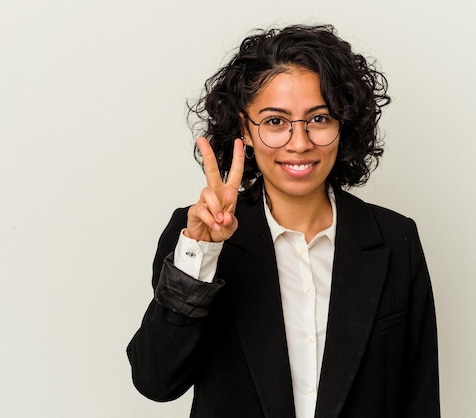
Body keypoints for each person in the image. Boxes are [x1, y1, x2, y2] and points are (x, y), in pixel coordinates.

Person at [127, 24, 439, 418]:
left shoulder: (395, 240)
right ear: (246, 129)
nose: (299, 142)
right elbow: (156, 381)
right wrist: (201, 254)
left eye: (319, 118)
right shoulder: (194, 237)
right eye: (275, 121)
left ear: (343, 123)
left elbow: (420, 397)